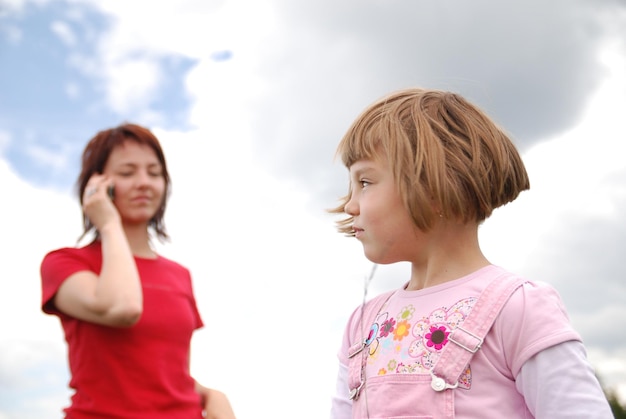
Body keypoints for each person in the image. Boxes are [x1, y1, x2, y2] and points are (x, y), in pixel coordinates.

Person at [328, 88, 613, 418]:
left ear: (433, 185)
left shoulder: (519, 308)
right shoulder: (362, 326)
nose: (349, 205)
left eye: (364, 182)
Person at [40, 123, 236, 419]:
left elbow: (167, 374)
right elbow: (122, 306)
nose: (144, 182)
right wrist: (108, 224)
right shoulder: (65, 263)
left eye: (154, 173)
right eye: (127, 172)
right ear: (96, 185)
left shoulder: (179, 274)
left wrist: (211, 395)